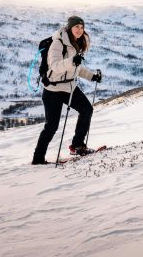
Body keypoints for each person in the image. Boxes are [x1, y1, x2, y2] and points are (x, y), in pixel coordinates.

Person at [32, 16, 103, 164]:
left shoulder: (75, 43)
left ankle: (77, 145)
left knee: (87, 110)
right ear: (69, 27)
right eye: (76, 27)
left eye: (82, 27)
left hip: (70, 87)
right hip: (53, 90)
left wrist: (92, 76)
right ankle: (38, 159)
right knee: (51, 126)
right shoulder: (58, 43)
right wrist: (72, 61)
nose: (79, 30)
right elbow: (55, 66)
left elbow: (76, 68)